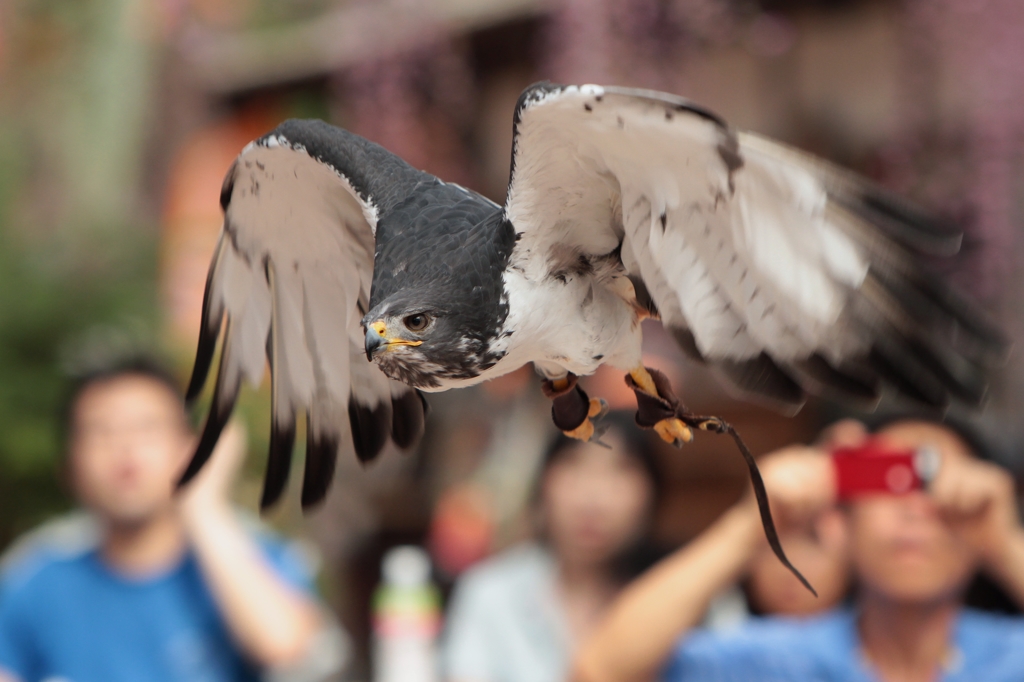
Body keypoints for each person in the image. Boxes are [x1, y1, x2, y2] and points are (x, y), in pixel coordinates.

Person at [574, 417, 1024, 682]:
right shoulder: (780, 659)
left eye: (941, 489)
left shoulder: (1011, 656)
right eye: (890, 479)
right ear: (843, 519)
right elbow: (599, 670)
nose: (914, 510)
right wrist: (749, 526)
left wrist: (1005, 544)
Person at [0, 359, 345, 682]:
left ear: (190, 449)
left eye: (146, 428)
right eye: (101, 431)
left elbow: (290, 650)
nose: (126, 450)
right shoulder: (34, 573)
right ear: (69, 466)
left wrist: (204, 508)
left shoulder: (246, 554)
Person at [442, 412, 662, 682]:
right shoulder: (491, 594)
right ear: (543, 482)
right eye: (574, 466)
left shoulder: (681, 597)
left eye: (621, 470)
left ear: (652, 493)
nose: (593, 499)